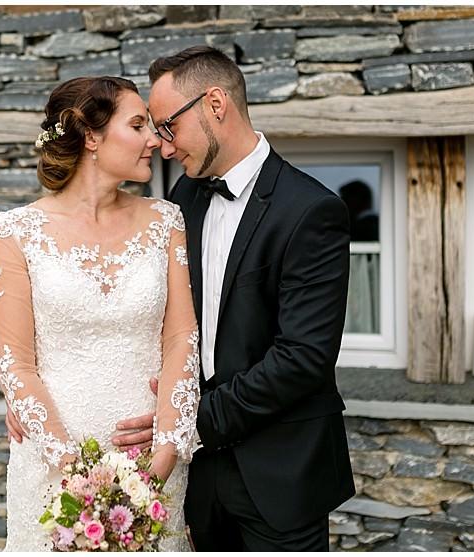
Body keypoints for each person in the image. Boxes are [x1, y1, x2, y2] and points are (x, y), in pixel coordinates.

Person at [114, 45, 355, 551]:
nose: (163, 147)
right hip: (198, 478)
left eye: (168, 126)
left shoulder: (312, 211)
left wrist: (188, 421)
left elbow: (302, 358)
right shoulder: (182, 199)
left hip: (280, 474)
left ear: (215, 105)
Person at [0, 76, 200, 551]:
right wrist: (80, 478)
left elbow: (182, 339)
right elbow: (15, 364)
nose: (154, 140)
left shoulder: (166, 221)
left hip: (152, 464)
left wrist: (166, 452)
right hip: (53, 465)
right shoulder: (16, 232)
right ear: (92, 137)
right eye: (139, 124)